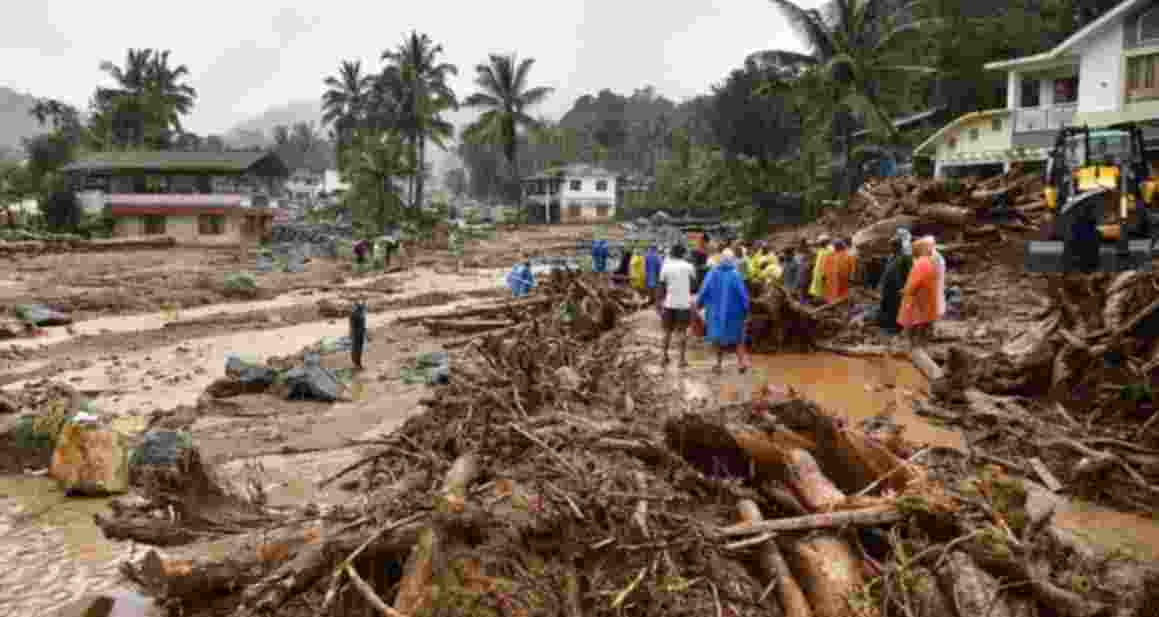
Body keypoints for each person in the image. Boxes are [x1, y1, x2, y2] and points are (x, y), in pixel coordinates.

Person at [697, 248, 751, 374]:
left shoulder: (713, 272)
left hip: (715, 313)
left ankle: (718, 364)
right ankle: (741, 363)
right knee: (738, 338)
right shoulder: (735, 274)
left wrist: (699, 304)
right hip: (734, 314)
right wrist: (746, 310)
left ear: (721, 259)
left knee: (718, 339)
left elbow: (704, 290)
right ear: (732, 260)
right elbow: (743, 296)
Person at [657, 244, 696, 367]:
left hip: (669, 303)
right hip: (684, 303)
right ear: (683, 254)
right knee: (682, 331)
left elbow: (661, 287)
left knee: (667, 331)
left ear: (672, 254)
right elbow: (694, 285)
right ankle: (681, 360)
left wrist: (659, 302)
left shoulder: (665, 267)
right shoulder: (689, 267)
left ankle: (663, 356)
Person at [898, 236, 938, 346]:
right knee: (922, 324)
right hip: (926, 298)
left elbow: (916, 281)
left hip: (918, 299)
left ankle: (914, 348)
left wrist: (906, 290)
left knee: (915, 325)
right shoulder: (929, 262)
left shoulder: (921, 263)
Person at [877, 229, 913, 335]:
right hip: (887, 288)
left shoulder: (905, 257)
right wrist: (881, 283)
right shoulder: (891, 257)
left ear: (898, 246)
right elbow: (886, 271)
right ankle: (887, 327)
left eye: (892, 246)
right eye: (890, 246)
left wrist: (906, 287)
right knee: (887, 306)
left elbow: (910, 273)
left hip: (898, 289)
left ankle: (897, 328)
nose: (890, 248)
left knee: (896, 308)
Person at [824, 239, 857, 304]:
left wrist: (825, 276)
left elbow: (825, 268)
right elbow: (853, 269)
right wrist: (852, 278)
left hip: (837, 280)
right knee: (838, 293)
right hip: (838, 279)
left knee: (836, 293)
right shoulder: (848, 255)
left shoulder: (831, 256)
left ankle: (835, 302)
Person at [808, 234, 833, 302]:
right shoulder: (821, 250)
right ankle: (820, 300)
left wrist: (824, 273)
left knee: (823, 288)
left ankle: (825, 301)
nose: (820, 244)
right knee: (818, 288)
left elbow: (828, 263)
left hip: (824, 273)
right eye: (820, 243)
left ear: (826, 242)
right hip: (818, 272)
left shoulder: (830, 250)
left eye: (822, 243)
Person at [349, 300, 368, 370]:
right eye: (363, 308)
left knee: (356, 349)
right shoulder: (357, 315)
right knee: (357, 349)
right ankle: (357, 364)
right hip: (358, 334)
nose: (364, 310)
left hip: (358, 334)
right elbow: (353, 326)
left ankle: (357, 364)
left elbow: (352, 326)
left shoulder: (355, 314)